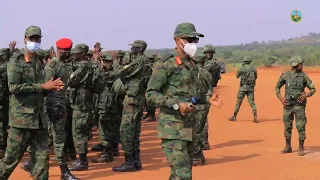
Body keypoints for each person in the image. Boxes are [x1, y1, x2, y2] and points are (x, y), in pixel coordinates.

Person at [146, 22, 219, 180]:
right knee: (183, 175)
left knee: (179, 175)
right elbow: (151, 94)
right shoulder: (165, 64)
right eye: (189, 39)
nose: (192, 43)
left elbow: (192, 94)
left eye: (195, 40)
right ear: (177, 40)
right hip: (172, 129)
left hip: (189, 129)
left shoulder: (191, 64)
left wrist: (207, 98)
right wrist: (176, 105)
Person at [0, 25, 63, 180]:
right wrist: (42, 86)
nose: (34, 41)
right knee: (10, 161)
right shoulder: (17, 60)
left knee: (42, 162)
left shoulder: (39, 62)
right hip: (22, 120)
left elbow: (40, 88)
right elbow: (13, 87)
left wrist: (51, 87)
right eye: (31, 38)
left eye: (37, 38)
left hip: (40, 120)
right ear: (25, 39)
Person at [112, 40, 149, 172]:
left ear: (139, 49)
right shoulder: (143, 61)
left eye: (133, 47)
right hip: (137, 99)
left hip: (132, 100)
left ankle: (129, 162)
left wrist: (116, 61)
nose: (131, 49)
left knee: (126, 131)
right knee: (134, 132)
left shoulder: (139, 61)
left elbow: (121, 72)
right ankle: (135, 161)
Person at [275, 56, 316, 156]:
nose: (302, 66)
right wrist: (280, 97)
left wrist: (306, 95)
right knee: (287, 126)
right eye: (300, 64)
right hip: (287, 106)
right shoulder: (285, 75)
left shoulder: (304, 76)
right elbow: (277, 87)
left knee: (300, 126)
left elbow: (313, 89)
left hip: (299, 106)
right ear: (295, 65)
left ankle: (301, 147)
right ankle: (288, 146)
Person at [68, 44, 93, 171]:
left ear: (83, 53)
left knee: (79, 133)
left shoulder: (84, 65)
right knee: (79, 132)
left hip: (81, 105)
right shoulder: (85, 64)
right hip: (82, 104)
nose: (74, 54)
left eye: (76, 53)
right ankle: (81, 160)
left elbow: (71, 80)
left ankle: (82, 162)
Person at [92, 53, 118, 163]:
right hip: (104, 104)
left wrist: (99, 66)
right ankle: (109, 150)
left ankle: (107, 153)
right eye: (104, 61)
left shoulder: (111, 74)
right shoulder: (108, 72)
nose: (106, 63)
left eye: (108, 61)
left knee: (104, 129)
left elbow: (100, 76)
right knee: (106, 128)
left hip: (107, 105)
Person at [228, 56, 259, 123]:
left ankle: (234, 116)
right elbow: (256, 77)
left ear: (244, 61)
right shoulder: (253, 68)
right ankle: (255, 117)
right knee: (252, 103)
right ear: (250, 61)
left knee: (238, 102)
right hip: (250, 88)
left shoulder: (241, 68)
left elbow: (237, 76)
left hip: (242, 88)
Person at [0, 48, 10, 159]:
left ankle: (2, 148)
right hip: (7, 99)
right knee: (6, 123)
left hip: (2, 99)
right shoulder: (10, 66)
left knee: (2, 124)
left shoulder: (4, 67)